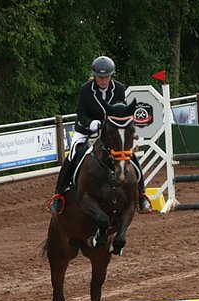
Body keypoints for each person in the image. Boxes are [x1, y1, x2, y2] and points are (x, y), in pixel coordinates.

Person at [49, 55, 152, 215]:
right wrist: (92, 123)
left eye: (106, 77)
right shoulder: (85, 90)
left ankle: (142, 195)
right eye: (100, 77)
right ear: (94, 76)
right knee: (73, 155)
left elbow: (121, 110)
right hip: (87, 130)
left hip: (111, 132)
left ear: (111, 76)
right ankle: (58, 195)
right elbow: (81, 113)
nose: (103, 80)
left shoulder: (118, 88)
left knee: (128, 155)